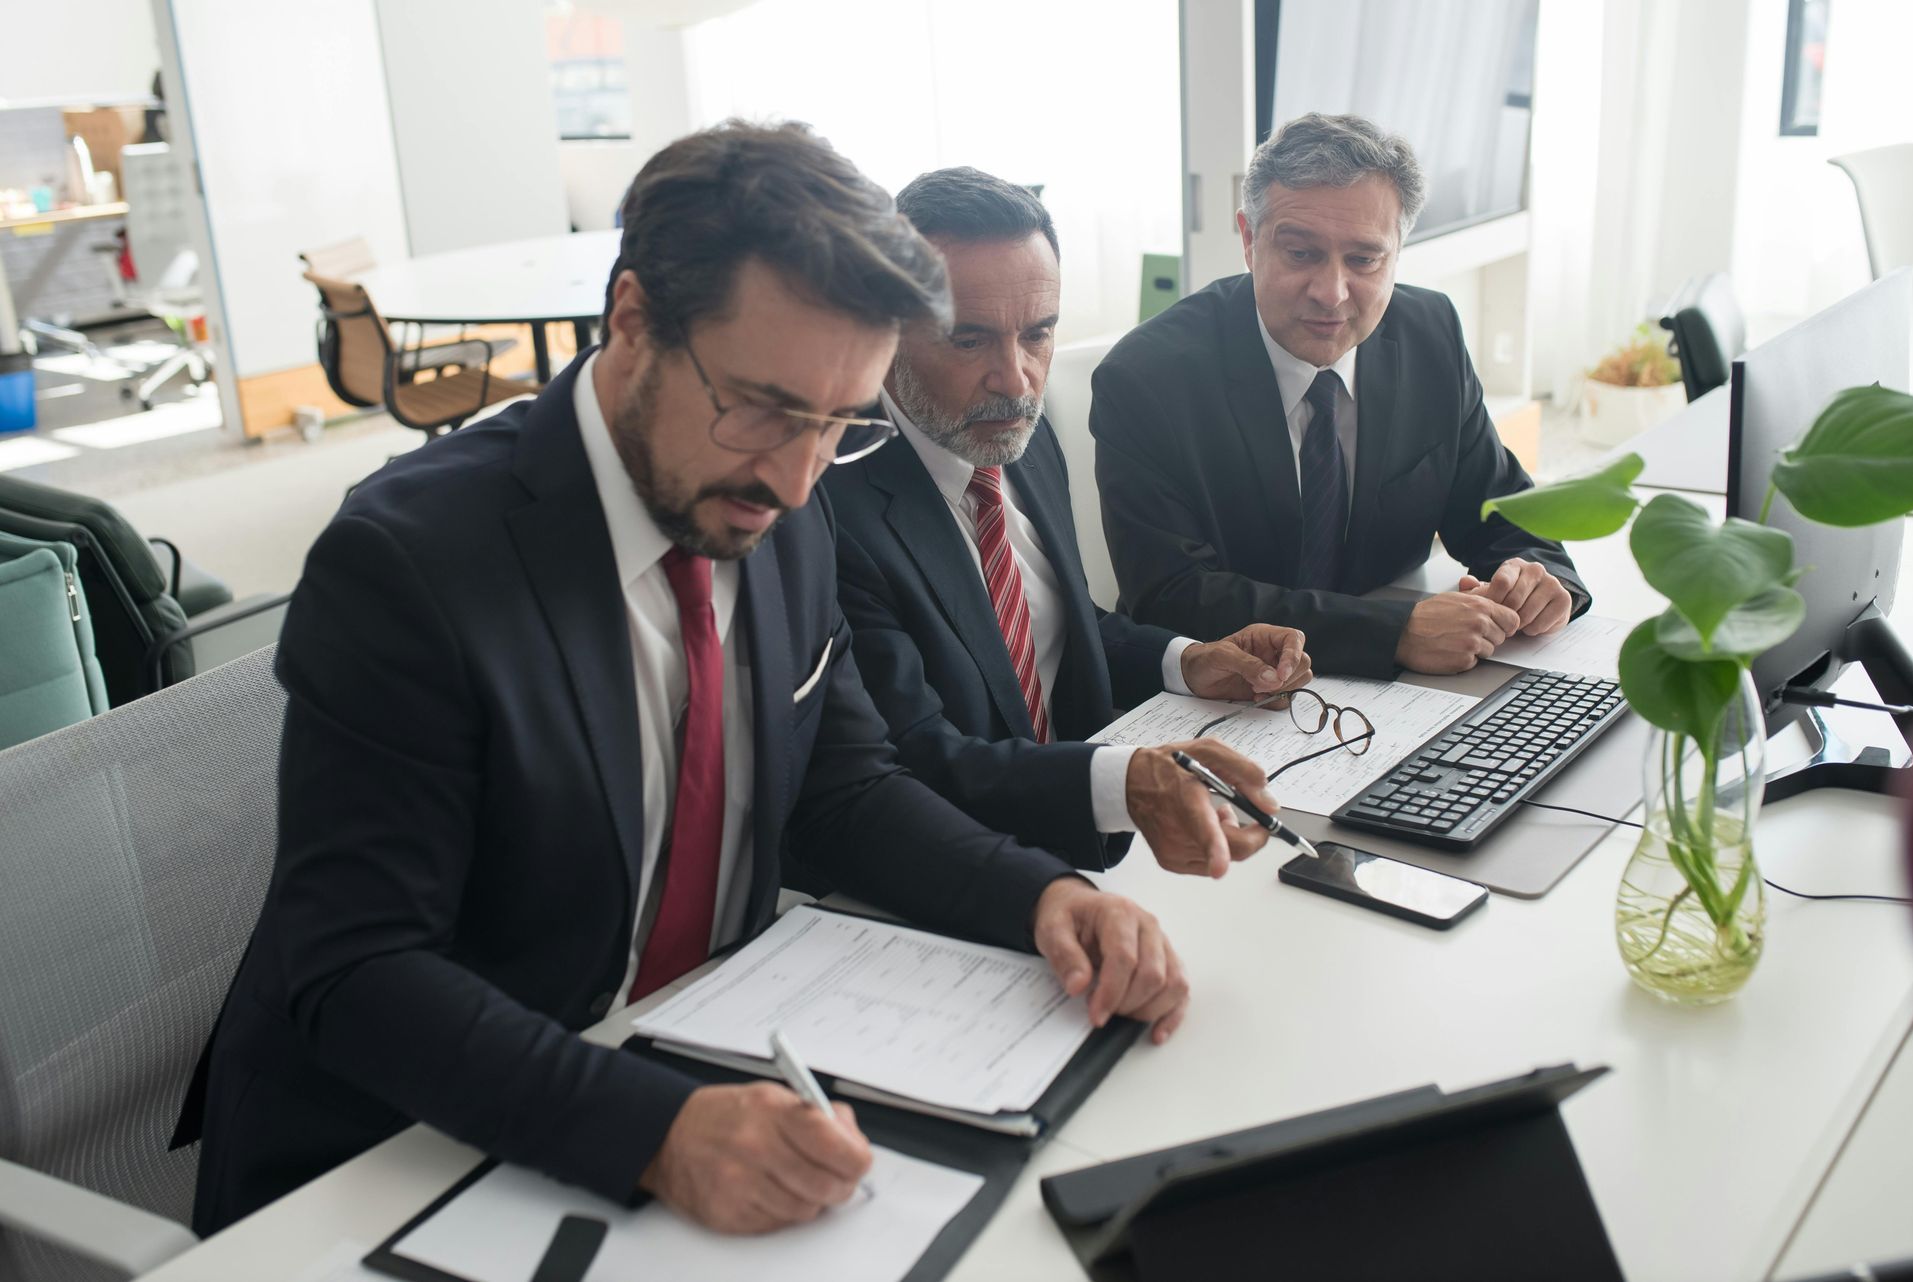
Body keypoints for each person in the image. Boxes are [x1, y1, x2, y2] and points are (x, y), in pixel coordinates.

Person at [174, 122, 1188, 1239]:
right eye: (765, 407)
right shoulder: (412, 563)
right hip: (399, 1153)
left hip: (695, 1047)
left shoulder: (781, 504)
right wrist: (656, 1128)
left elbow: (844, 786)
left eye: (843, 422)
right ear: (634, 321)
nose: (799, 480)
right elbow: (358, 970)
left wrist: (1043, 897)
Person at [824, 167, 1312, 876]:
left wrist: (1187, 660)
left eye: (1038, 334)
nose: (1016, 377)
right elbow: (915, 757)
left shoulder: (1014, 427)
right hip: (969, 868)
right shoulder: (832, 501)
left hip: (1095, 839)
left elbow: (1051, 616)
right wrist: (1126, 784)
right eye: (970, 340)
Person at [1092, 113, 1589, 678]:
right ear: (1250, 240)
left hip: (1412, 691)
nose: (1331, 294)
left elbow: (1498, 508)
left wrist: (1538, 579)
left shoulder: (1432, 333)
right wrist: (1393, 633)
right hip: (1228, 693)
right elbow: (1175, 594)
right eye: (1301, 254)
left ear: (1399, 250)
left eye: (1363, 259)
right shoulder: (1146, 379)